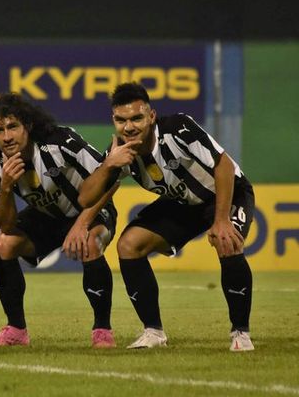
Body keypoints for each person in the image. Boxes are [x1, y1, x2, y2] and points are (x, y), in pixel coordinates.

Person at [79, 82, 255, 351]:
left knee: (226, 240)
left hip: (226, 194)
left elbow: (224, 166)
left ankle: (241, 333)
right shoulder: (119, 152)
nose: (129, 127)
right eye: (121, 120)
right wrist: (108, 166)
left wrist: (221, 220)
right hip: (182, 204)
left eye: (137, 118)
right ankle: (153, 332)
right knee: (129, 245)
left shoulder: (178, 129)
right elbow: (85, 198)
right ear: (113, 121)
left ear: (151, 116)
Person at [0, 93, 118, 348]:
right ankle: (16, 330)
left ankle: (102, 331)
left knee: (90, 243)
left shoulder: (60, 141)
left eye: (12, 127)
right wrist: (6, 187)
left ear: (27, 126)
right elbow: (5, 224)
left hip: (90, 211)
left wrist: (81, 224)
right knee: (4, 244)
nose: (7, 136)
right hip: (47, 217)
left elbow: (109, 176)